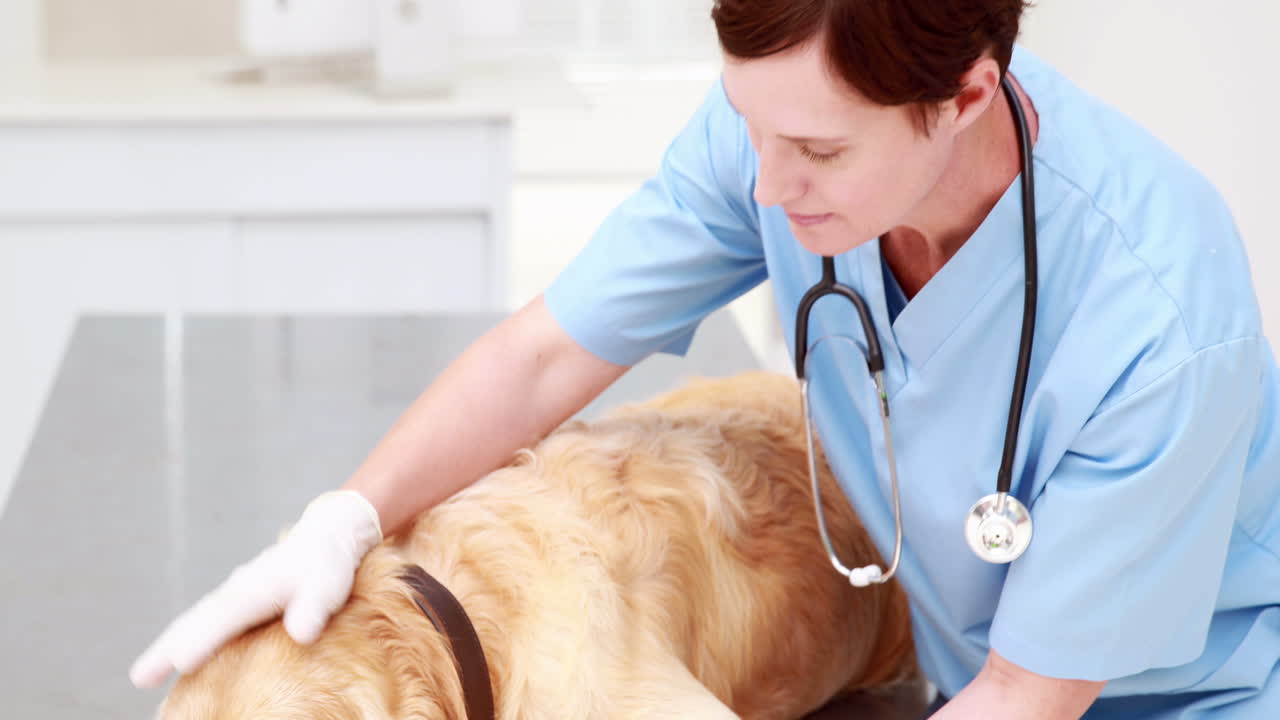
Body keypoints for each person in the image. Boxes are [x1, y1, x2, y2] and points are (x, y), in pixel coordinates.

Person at [130, 1, 1280, 717]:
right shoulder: (780, 132)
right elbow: (541, 358)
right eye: (749, 125)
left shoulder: (1157, 325)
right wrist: (345, 517)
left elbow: (1030, 693)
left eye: (816, 151)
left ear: (966, 93)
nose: (767, 187)